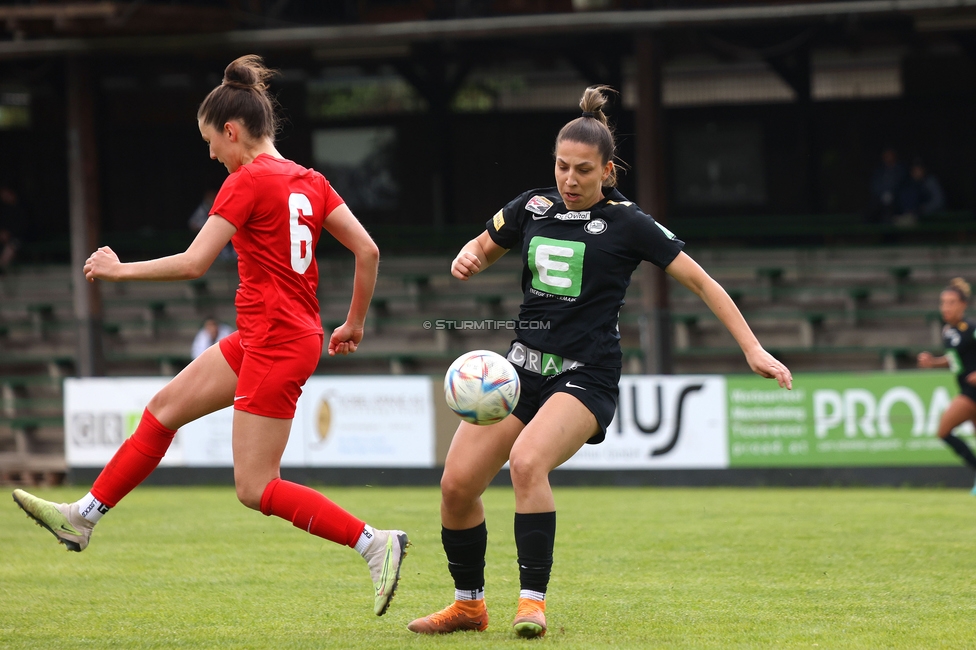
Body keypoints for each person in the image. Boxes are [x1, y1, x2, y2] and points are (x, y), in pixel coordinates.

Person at [12, 55, 407, 617]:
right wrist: (354, 322)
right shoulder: (311, 181)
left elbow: (197, 261)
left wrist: (119, 270)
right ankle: (83, 518)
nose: (212, 155)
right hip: (271, 334)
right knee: (164, 408)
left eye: (211, 143)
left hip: (273, 342)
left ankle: (375, 543)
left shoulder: (246, 181)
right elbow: (368, 249)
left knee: (255, 487)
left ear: (232, 131)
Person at [406, 86, 793, 639]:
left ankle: (532, 603)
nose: (569, 179)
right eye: (562, 167)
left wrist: (753, 349)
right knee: (456, 485)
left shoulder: (630, 223)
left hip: (584, 375)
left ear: (606, 170)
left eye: (582, 170)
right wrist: (468, 256)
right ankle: (468, 606)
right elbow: (481, 247)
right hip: (520, 373)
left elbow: (703, 282)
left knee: (526, 463)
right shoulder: (531, 206)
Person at [917, 277, 976, 494]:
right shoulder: (947, 332)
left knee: (943, 430)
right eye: (943, 302)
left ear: (963, 305)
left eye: (951, 302)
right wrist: (933, 362)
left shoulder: (971, 328)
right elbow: (954, 359)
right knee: (945, 432)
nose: (946, 307)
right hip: (967, 390)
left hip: (972, 393)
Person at [189, 188, 235, 260]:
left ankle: (227, 258)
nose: (212, 199)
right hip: (204, 235)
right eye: (210, 197)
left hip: (221, 234)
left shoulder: (221, 207)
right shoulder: (203, 209)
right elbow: (193, 223)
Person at [868, 147, 908, 224]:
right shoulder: (879, 171)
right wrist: (882, 195)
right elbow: (875, 186)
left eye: (889, 155)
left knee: (890, 212)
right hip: (880, 200)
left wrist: (892, 194)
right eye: (886, 156)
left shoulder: (900, 170)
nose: (887, 158)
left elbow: (901, 185)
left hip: (897, 201)